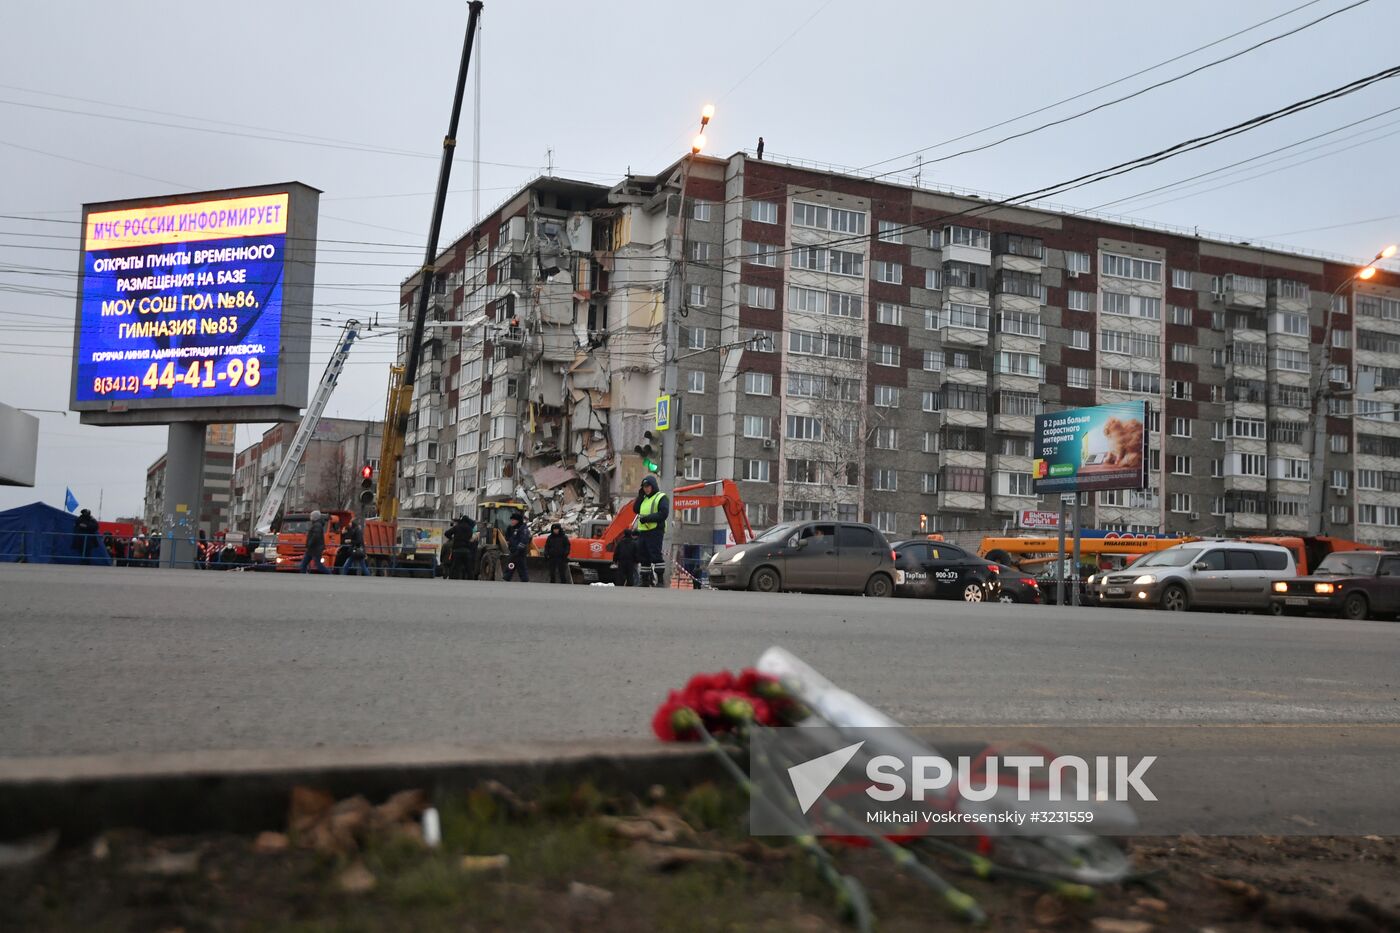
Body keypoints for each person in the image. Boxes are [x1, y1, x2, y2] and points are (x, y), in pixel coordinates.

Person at [634, 475, 669, 587]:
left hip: (655, 531)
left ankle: (660, 580)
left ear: (653, 486)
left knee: (655, 555)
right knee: (643, 556)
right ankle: (645, 580)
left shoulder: (661, 497)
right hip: (643, 531)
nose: (646, 489)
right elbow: (636, 509)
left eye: (648, 486)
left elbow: (663, 513)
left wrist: (647, 518)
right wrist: (640, 496)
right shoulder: (644, 498)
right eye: (644, 487)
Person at [444, 514, 478, 580]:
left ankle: (452, 579)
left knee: (454, 567)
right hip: (466, 551)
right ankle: (471, 580)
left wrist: (452, 538)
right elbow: (471, 538)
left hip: (456, 550)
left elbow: (446, 533)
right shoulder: (469, 529)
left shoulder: (457, 527)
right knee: (469, 568)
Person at [502, 512, 531, 582]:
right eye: (511, 520)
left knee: (521, 567)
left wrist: (518, 549)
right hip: (513, 551)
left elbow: (524, 540)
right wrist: (509, 544)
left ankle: (525, 580)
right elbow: (508, 537)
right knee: (510, 565)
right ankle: (506, 579)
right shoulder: (511, 528)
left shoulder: (523, 529)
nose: (512, 521)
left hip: (520, 553)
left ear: (518, 521)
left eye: (513, 520)